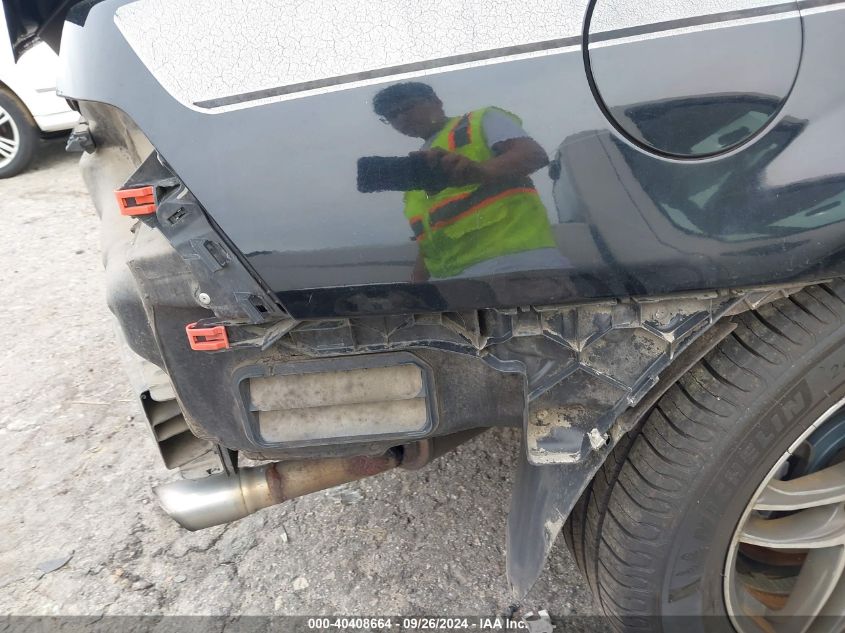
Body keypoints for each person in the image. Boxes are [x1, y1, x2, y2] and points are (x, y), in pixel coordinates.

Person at [372, 82, 570, 281]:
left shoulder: (477, 121)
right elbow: (431, 239)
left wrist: (479, 171)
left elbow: (533, 155)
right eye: (391, 116)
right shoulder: (420, 165)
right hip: (452, 284)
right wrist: (416, 287)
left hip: (516, 265)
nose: (401, 118)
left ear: (436, 102)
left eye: (406, 107)